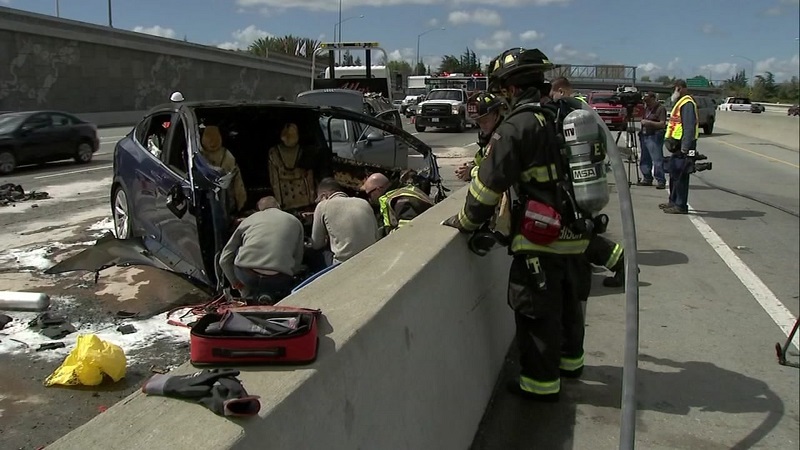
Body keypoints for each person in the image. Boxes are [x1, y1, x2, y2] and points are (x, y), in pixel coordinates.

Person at [442, 48, 591, 402]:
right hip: (575, 233)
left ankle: (539, 386)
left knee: (537, 315)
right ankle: (571, 364)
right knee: (570, 307)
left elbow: (488, 185)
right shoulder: (563, 115)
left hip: (541, 238)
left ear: (510, 89)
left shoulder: (517, 126)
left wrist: (466, 221)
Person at [548, 77, 629, 289]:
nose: (551, 97)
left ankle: (624, 265)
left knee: (580, 234)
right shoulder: (583, 109)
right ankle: (621, 264)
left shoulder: (570, 112)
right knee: (582, 232)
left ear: (561, 91)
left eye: (553, 92)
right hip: (585, 178)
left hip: (577, 180)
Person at [218, 196, 305, 303]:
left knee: (235, 251)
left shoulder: (249, 220)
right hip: (279, 279)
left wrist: (236, 284)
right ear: (278, 206)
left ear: (259, 210)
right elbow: (298, 260)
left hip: (248, 277)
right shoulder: (295, 222)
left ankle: (246, 295)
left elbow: (224, 260)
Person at [310, 177, 380, 266]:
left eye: (318, 199)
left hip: (344, 263)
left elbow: (316, 244)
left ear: (324, 196)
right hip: (371, 256)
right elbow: (376, 236)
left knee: (315, 254)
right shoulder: (363, 202)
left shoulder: (322, 206)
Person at [662, 80, 699, 214]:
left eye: (674, 89)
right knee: (674, 174)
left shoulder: (687, 103)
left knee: (681, 176)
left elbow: (688, 128)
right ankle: (673, 201)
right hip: (677, 145)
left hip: (684, 146)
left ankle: (680, 205)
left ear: (679, 88)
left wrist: (685, 148)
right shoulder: (679, 102)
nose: (673, 92)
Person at [455, 92, 506, 182]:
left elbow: (497, 171)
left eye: (485, 121)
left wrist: (471, 172)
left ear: (496, 114)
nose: (482, 126)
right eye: (478, 122)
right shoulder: (489, 136)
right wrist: (470, 165)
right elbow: (483, 157)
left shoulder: (504, 137)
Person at [361, 172, 434, 235]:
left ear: (378, 189)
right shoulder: (402, 191)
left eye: (369, 194)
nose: (370, 198)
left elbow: (407, 231)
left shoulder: (399, 202)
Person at [267, 123, 317, 211]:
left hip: (293, 201)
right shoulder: (274, 153)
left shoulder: (274, 153)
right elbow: (275, 181)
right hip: (299, 200)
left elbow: (274, 181)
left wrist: (279, 203)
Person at [200, 126, 247, 212]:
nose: (212, 141)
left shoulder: (199, 157)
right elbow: (238, 184)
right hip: (226, 204)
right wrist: (241, 204)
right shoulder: (228, 156)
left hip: (207, 204)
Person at [638, 92, 668, 189]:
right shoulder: (646, 108)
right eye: (645, 101)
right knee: (645, 158)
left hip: (655, 136)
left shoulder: (660, 109)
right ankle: (647, 178)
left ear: (654, 99)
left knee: (657, 159)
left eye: (648, 101)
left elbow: (662, 124)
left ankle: (660, 180)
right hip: (645, 135)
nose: (647, 103)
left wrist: (649, 123)